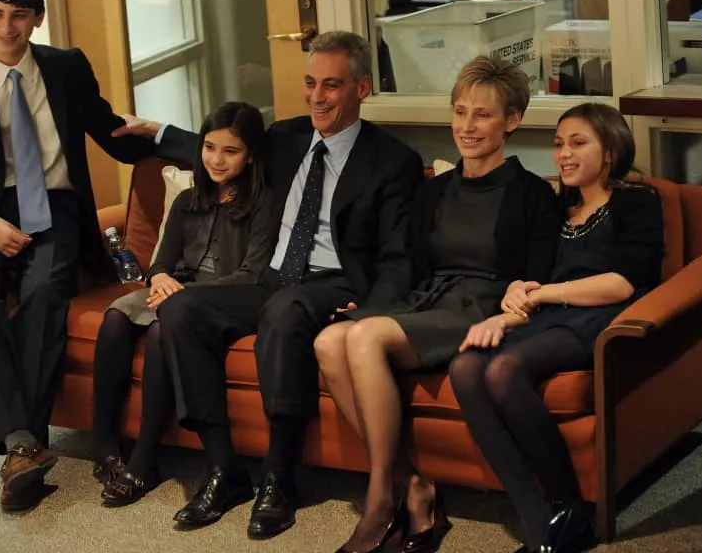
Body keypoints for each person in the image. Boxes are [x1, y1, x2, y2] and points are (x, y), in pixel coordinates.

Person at [129, 31, 424, 536]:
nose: (316, 97)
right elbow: (225, 148)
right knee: (180, 308)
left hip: (334, 283)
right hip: (271, 278)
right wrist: (157, 132)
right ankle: (224, 469)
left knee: (284, 312)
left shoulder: (393, 161)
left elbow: (399, 256)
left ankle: (279, 477)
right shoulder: (286, 138)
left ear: (362, 88)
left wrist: (372, 312)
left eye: (331, 85)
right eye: (310, 83)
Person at [0, 0, 186, 512]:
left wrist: (199, 146)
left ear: (39, 18)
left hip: (56, 204)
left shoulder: (66, 67)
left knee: (46, 290)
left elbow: (114, 135)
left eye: (19, 15)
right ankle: (23, 443)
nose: (7, 28)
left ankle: (21, 446)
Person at [313, 56, 560, 553]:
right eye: (460, 112)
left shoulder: (534, 194)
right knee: (329, 340)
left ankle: (381, 499)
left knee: (363, 338)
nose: (467, 127)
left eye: (483, 115)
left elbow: (539, 278)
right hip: (428, 302)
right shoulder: (434, 192)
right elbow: (409, 267)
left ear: (512, 121)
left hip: (481, 307)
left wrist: (511, 317)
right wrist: (372, 307)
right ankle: (413, 485)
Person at [448, 103, 664, 553]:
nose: (564, 154)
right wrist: (507, 308)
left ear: (610, 151)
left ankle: (571, 508)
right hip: (553, 317)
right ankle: (538, 519)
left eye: (578, 143)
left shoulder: (636, 202)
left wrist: (543, 293)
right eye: (559, 144)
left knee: (503, 370)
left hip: (606, 317)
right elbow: (534, 281)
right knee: (465, 366)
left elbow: (622, 283)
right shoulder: (558, 210)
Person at [90, 101, 274, 506]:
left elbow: (252, 274)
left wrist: (184, 295)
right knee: (116, 317)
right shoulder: (188, 200)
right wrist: (159, 277)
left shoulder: (264, 203)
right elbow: (162, 261)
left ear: (250, 155)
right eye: (209, 147)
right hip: (176, 288)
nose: (217, 160)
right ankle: (103, 443)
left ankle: (144, 460)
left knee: (163, 328)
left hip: (224, 298)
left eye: (230, 151)